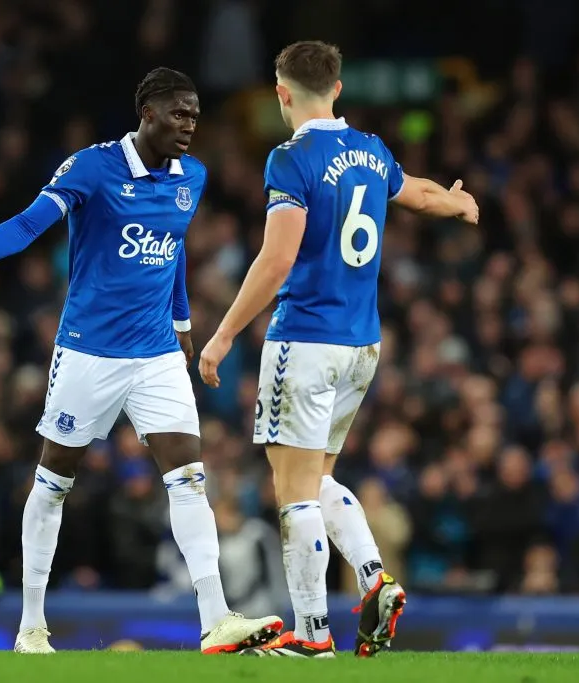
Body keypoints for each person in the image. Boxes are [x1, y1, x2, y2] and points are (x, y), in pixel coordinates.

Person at [0, 67, 282, 655]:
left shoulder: (193, 176)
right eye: (179, 113)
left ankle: (216, 619)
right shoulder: (92, 167)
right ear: (147, 114)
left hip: (156, 354)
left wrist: (182, 323)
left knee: (189, 478)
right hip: (88, 352)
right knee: (54, 481)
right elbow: (29, 224)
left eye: (195, 115)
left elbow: (172, 249)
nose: (189, 125)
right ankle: (31, 626)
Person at [199, 41, 479, 658]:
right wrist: (457, 201)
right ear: (338, 89)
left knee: (293, 490)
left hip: (305, 339)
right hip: (362, 345)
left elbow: (277, 259)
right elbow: (420, 194)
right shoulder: (372, 150)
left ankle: (313, 635)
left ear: (282, 94)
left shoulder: (290, 159)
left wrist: (223, 334)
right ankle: (374, 576)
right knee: (318, 475)